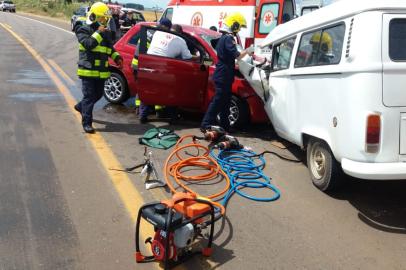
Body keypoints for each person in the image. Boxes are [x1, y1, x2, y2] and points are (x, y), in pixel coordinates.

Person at [200, 12, 254, 132]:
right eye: (239, 27)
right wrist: (248, 50)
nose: (238, 30)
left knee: (225, 101)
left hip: (224, 74)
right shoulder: (228, 38)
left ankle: (225, 126)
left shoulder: (222, 38)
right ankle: (205, 124)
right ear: (234, 25)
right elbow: (237, 55)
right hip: (223, 74)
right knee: (218, 100)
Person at [74, 2, 123, 133]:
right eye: (102, 18)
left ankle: (81, 106)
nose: (104, 21)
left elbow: (109, 48)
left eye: (106, 19)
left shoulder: (105, 33)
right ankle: (87, 123)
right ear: (94, 16)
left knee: (98, 94)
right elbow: (88, 44)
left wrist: (117, 57)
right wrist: (98, 33)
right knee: (89, 97)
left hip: (101, 71)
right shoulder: (82, 29)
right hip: (88, 71)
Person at [131, 18, 173, 124]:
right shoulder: (157, 35)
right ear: (163, 26)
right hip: (145, 65)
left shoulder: (149, 31)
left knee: (141, 88)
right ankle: (150, 113)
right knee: (149, 88)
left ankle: (139, 110)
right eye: (167, 28)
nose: (168, 31)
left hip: (137, 64)